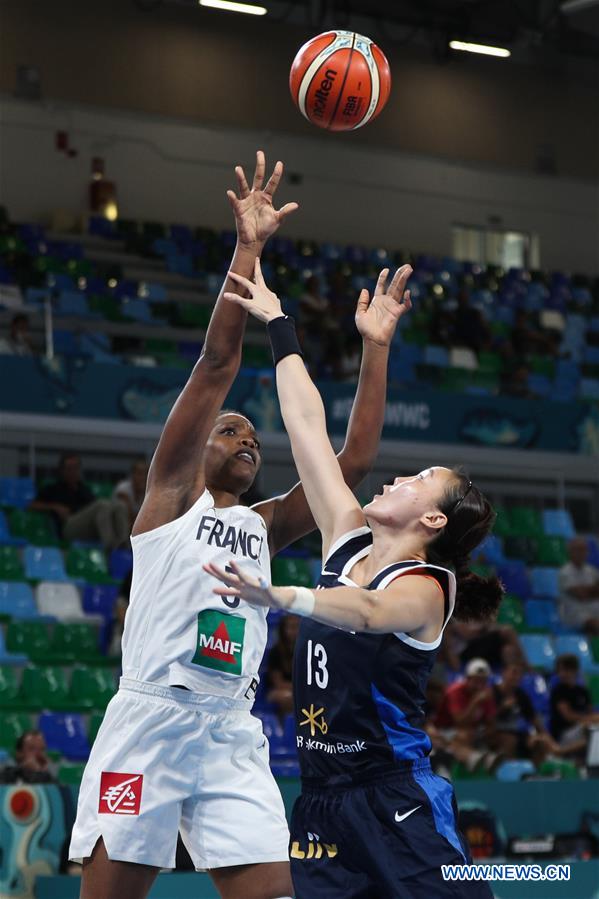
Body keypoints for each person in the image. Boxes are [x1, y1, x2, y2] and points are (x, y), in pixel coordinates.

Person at [69, 151, 412, 899]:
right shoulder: (166, 500)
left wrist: (374, 350)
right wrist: (248, 248)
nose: (247, 439)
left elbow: (350, 459)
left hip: (231, 732)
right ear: (196, 452)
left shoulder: (264, 523)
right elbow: (219, 359)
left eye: (254, 437)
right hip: (150, 722)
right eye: (231, 432)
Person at [206, 258, 503, 897]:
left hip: (397, 799)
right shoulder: (345, 540)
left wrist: (280, 594)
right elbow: (307, 428)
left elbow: (367, 613)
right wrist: (282, 325)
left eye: (418, 480)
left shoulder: (426, 588)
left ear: (430, 517)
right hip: (321, 802)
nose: (397, 476)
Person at [30, 453, 130, 552]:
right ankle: (110, 548)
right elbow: (33, 505)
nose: (73, 471)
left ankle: (125, 546)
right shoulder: (53, 488)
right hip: (69, 527)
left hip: (89, 527)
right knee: (102, 504)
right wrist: (55, 507)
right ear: (62, 470)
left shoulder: (84, 489)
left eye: (76, 468)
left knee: (119, 505)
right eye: (70, 468)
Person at [549, 654, 599, 760]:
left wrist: (592, 719)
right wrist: (588, 720)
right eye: (559, 670)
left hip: (583, 728)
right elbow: (568, 716)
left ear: (574, 670)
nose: (562, 674)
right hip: (565, 733)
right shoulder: (558, 691)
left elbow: (591, 713)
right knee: (590, 729)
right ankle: (560, 751)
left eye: (566, 670)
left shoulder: (583, 691)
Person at [558, 536, 599, 635]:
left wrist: (587, 590)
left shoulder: (592, 571)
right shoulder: (565, 572)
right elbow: (581, 595)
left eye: (584, 550)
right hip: (574, 613)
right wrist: (593, 590)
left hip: (594, 610)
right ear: (570, 552)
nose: (582, 553)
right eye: (578, 550)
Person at [265, 614, 300, 719]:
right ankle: (285, 731)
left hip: (297, 690)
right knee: (288, 697)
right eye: (291, 627)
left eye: (296, 627)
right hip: (276, 692)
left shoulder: (305, 652)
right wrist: (299, 689)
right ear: (283, 629)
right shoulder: (275, 652)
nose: (294, 631)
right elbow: (278, 684)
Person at [113, 459, 149, 530]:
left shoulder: (148, 491)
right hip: (115, 527)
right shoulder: (123, 487)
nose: (142, 477)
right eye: (139, 473)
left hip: (134, 528)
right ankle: (122, 540)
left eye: (145, 474)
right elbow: (129, 516)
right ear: (132, 474)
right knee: (122, 506)